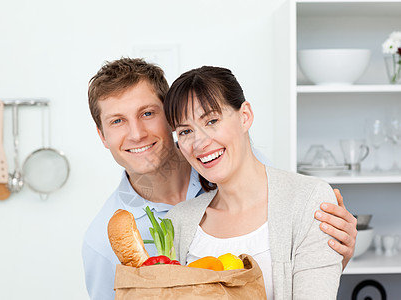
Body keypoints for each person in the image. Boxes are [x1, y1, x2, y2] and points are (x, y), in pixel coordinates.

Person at [82, 58, 357, 300]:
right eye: (117, 121)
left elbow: (295, 239)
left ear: (168, 119)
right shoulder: (113, 238)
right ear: (102, 135)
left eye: (147, 113)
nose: (137, 133)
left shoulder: (234, 161)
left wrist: (328, 256)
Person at [164, 65, 345, 299]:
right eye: (185, 131)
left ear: (245, 116)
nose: (199, 143)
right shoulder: (177, 222)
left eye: (211, 120)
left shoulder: (309, 200)